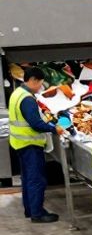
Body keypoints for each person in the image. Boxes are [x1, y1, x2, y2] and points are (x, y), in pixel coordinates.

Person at [7, 67, 66, 222]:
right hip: (29, 144)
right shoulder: (27, 99)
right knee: (36, 179)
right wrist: (55, 129)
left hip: (20, 143)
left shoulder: (17, 94)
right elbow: (35, 124)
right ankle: (37, 214)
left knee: (27, 179)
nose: (41, 86)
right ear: (32, 80)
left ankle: (30, 210)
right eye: (40, 83)